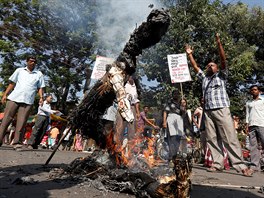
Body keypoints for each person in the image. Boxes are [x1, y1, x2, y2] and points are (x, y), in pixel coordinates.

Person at [185, 33, 253, 176]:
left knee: (229, 137)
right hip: (208, 112)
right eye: (208, 65)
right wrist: (189, 54)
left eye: (212, 65)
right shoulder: (204, 78)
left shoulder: (221, 76)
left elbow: (223, 59)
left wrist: (218, 42)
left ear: (217, 68)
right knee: (211, 138)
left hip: (221, 110)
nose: (210, 65)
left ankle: (240, 165)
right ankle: (217, 163)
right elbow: (195, 67)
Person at [0, 56, 45, 149]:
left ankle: (17, 143)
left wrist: (41, 97)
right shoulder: (19, 70)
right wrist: (5, 95)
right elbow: (12, 83)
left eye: (34, 62)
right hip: (14, 98)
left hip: (28, 100)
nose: (32, 63)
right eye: (31, 61)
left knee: (22, 122)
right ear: (27, 61)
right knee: (6, 120)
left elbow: (40, 87)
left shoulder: (39, 74)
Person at [114, 76, 140, 156]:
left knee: (131, 131)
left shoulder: (136, 87)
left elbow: (136, 101)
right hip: (122, 106)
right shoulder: (123, 84)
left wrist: (138, 112)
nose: (130, 78)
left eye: (132, 77)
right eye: (129, 77)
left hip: (131, 108)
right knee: (119, 129)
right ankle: (117, 151)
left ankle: (130, 154)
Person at [163, 90, 185, 163]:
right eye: (174, 94)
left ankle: (175, 155)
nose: (176, 95)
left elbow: (183, 113)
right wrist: (164, 122)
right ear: (172, 95)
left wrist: (183, 106)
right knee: (171, 138)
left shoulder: (180, 103)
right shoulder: (169, 103)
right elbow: (165, 112)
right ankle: (171, 156)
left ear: (179, 95)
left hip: (179, 120)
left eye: (177, 94)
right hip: (171, 119)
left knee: (178, 138)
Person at [246, 85, 264, 172]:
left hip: (262, 124)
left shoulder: (263, 100)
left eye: (255, 90)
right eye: (252, 90)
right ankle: (254, 166)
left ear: (259, 91)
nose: (253, 91)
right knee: (253, 146)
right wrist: (247, 125)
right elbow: (247, 115)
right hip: (251, 125)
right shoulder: (249, 102)